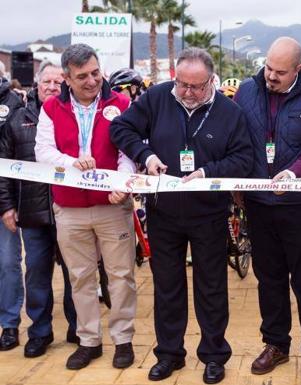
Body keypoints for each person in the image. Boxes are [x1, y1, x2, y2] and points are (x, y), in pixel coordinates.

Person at [110, 47, 253, 384]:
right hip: (165, 212)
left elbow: (244, 158)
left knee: (212, 287)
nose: (187, 92)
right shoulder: (158, 97)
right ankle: (170, 354)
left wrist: (208, 171)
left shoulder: (230, 112)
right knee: (168, 286)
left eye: (196, 86)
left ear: (211, 81)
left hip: (209, 212)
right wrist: (146, 156)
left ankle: (214, 355)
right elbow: (121, 129)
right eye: (182, 84)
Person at [234, 37, 301, 384]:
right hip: (259, 204)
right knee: (269, 279)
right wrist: (237, 183)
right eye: (268, 69)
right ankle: (275, 344)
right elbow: (238, 140)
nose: (270, 77)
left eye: (279, 72)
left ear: (298, 70)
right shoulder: (246, 91)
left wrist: (294, 172)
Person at [34, 43, 137, 370]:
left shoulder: (121, 102)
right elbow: (43, 152)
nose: (92, 81)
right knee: (80, 278)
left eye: (95, 72)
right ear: (67, 78)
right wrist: (73, 163)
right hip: (69, 208)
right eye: (82, 77)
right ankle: (89, 340)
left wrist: (122, 183)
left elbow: (129, 151)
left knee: (121, 276)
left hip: (112, 207)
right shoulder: (50, 108)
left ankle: (123, 339)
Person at [0, 62, 79, 358]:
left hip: (69, 208)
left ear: (67, 84)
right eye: (47, 81)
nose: (52, 86)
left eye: (58, 81)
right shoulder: (18, 119)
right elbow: (3, 168)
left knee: (76, 272)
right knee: (36, 274)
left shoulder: (75, 116)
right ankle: (40, 332)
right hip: (32, 213)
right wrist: (6, 206)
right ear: (37, 84)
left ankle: (78, 327)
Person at [0, 56, 25, 353]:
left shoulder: (12, 104)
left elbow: (15, 157)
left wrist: (7, 203)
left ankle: (9, 324)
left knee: (7, 263)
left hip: (4, 196)